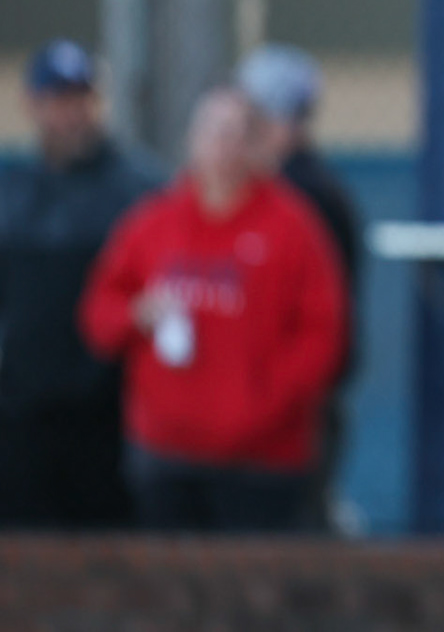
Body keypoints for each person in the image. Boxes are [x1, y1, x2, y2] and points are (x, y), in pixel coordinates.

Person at [80, 88, 347, 532]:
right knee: (169, 587)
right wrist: (137, 315)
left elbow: (322, 336)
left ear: (259, 145)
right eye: (210, 131)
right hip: (167, 451)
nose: (221, 146)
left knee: (253, 591)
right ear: (190, 140)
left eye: (235, 134)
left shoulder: (293, 228)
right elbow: (99, 316)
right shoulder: (153, 223)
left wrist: (261, 406)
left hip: (262, 459)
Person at [0, 41, 161, 528]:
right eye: (56, 99)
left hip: (107, 409)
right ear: (33, 104)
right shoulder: (14, 192)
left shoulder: (140, 190)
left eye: (80, 98)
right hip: (23, 407)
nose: (68, 114)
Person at [235, 43, 361, 528]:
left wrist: (268, 395)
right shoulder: (297, 189)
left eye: (254, 119)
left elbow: (320, 326)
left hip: (294, 410)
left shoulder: (307, 198)